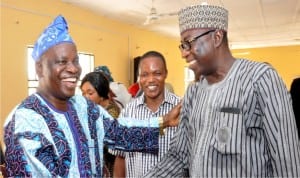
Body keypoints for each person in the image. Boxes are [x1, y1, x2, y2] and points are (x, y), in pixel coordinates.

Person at [3, 15, 180, 177]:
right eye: (62, 61)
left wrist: (163, 121)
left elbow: (119, 133)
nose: (73, 69)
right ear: (39, 68)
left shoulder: (83, 107)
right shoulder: (23, 122)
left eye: (76, 61)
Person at [145, 4, 300, 177]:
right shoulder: (193, 93)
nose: (183, 53)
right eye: (182, 45)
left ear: (217, 37)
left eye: (188, 43)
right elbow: (179, 158)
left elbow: (287, 165)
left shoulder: (261, 79)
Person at [111, 51, 181, 177]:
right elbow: (120, 157)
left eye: (157, 73)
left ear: (166, 73)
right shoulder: (129, 112)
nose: (151, 80)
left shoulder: (180, 109)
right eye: (144, 75)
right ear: (139, 78)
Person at [80, 71, 120, 177]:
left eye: (90, 93)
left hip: (109, 166)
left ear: (101, 94)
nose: (85, 97)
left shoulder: (112, 114)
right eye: (83, 93)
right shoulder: (92, 109)